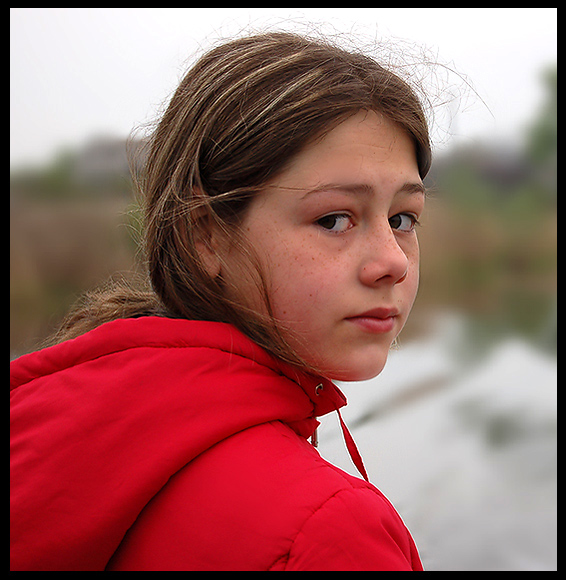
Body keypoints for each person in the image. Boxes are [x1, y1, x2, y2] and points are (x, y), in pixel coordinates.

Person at [10, 31, 431, 571]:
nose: (392, 261)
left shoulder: (65, 422)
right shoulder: (326, 531)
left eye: (402, 219)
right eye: (333, 219)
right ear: (204, 233)